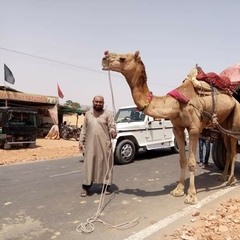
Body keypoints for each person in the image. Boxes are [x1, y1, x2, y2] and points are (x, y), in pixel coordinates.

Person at [79, 95, 117, 197]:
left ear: (103, 103)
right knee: (89, 165)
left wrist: (113, 132)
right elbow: (84, 129)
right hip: (90, 144)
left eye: (100, 102)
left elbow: (111, 127)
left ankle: (106, 186)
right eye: (97, 102)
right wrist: (81, 142)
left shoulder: (108, 114)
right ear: (93, 102)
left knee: (105, 165)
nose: (98, 104)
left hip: (104, 145)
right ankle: (86, 188)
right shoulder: (88, 114)